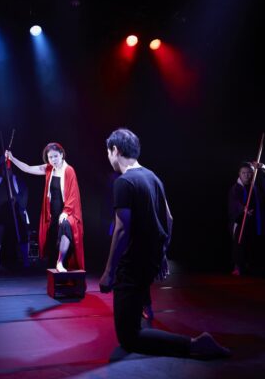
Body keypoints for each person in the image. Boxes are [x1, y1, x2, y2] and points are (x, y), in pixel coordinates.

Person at [100, 128, 230, 358]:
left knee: (129, 337)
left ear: (115, 150)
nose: (109, 157)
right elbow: (168, 219)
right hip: (149, 262)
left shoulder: (124, 182)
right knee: (133, 323)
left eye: (108, 152)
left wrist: (109, 272)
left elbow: (121, 230)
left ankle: (193, 344)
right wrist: (161, 255)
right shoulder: (153, 177)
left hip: (131, 265)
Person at [6, 143, 84, 272]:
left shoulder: (69, 170)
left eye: (55, 156)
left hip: (67, 213)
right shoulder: (49, 169)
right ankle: (56, 271)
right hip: (53, 214)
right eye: (50, 157)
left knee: (65, 227)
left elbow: (73, 194)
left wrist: (66, 212)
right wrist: (12, 158)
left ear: (62, 155)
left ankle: (60, 262)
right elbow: (27, 168)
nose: (53, 159)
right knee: (52, 246)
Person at [228, 161, 265, 276]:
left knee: (256, 245)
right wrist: (243, 209)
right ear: (239, 174)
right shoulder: (236, 188)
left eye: (249, 173)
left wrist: (263, 167)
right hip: (241, 221)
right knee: (239, 243)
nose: (246, 175)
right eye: (243, 173)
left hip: (256, 221)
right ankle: (238, 266)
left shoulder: (256, 186)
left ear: (253, 173)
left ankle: (254, 267)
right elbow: (234, 202)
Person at [0, 155, 30, 266]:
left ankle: (26, 258)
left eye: (8, 168)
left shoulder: (17, 180)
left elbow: (24, 193)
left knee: (22, 234)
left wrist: (17, 199)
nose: (6, 170)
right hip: (0, 213)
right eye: (4, 169)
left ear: (11, 170)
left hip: (16, 212)